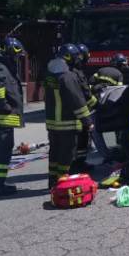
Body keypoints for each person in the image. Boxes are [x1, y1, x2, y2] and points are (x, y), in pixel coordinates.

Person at [45, 44, 93, 189]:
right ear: (68, 57)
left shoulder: (51, 75)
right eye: (76, 57)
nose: (78, 60)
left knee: (54, 153)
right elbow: (76, 100)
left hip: (52, 124)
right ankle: (61, 182)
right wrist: (87, 121)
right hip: (67, 123)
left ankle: (52, 180)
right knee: (66, 155)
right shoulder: (68, 76)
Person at [0, 37, 25, 196]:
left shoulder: (2, 66)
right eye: (16, 55)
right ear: (9, 53)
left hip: (4, 117)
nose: (17, 59)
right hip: (3, 117)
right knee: (3, 151)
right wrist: (6, 107)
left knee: (3, 150)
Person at [71, 43, 97, 172]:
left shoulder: (71, 71)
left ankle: (79, 163)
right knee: (82, 140)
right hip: (81, 114)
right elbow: (86, 93)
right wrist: (96, 103)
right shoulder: (77, 73)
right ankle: (78, 165)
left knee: (79, 141)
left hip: (73, 113)